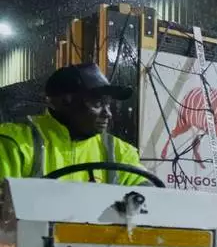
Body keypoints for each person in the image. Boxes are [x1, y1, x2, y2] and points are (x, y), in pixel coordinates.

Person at [0, 63, 149, 184]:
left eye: (108, 105)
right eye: (97, 103)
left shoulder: (119, 152)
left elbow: (149, 193)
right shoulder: (13, 143)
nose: (108, 114)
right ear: (64, 102)